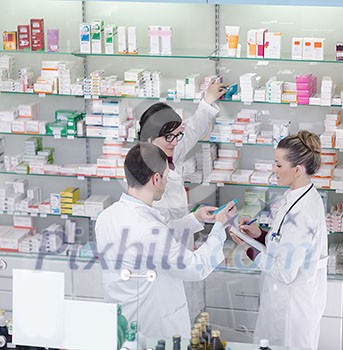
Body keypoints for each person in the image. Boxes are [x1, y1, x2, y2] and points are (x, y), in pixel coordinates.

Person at [95, 142, 236, 339]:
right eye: (166, 178)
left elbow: (154, 242)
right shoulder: (149, 229)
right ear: (156, 178)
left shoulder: (107, 216)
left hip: (122, 323)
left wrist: (195, 219)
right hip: (153, 328)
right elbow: (196, 267)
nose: (166, 183)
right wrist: (219, 229)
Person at [230, 130, 328, 350]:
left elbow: (284, 271)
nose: (273, 170)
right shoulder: (294, 195)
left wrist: (247, 247)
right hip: (280, 300)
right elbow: (284, 242)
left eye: (278, 165)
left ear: (297, 170)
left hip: (293, 308)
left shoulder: (305, 210)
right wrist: (259, 235)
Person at [138, 81, 227, 320]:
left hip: (181, 252)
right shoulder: (145, 174)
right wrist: (194, 220)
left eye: (176, 135)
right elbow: (160, 230)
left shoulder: (165, 153)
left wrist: (207, 102)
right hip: (164, 263)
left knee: (187, 319)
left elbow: (192, 134)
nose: (174, 142)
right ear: (148, 139)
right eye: (168, 136)